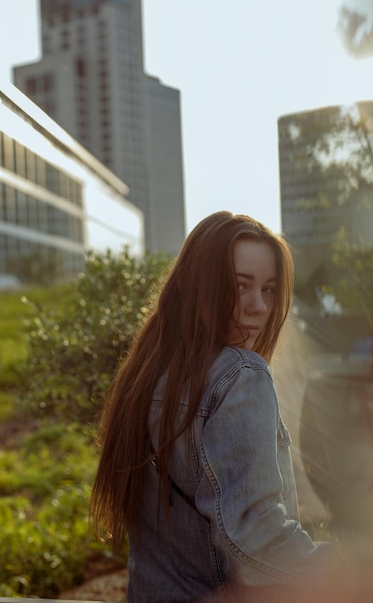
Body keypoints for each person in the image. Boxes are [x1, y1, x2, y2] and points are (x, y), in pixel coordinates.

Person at [90, 211, 338, 603]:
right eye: (240, 286)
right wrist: (347, 572)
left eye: (270, 289)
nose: (259, 306)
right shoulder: (241, 374)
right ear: (202, 287)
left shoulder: (152, 374)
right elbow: (255, 540)